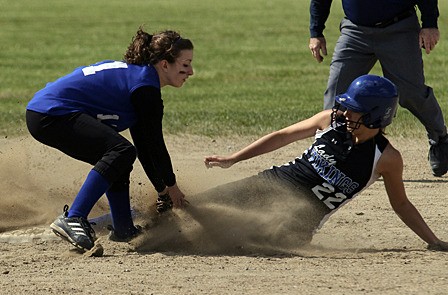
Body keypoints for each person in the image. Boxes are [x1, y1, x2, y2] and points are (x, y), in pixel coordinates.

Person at [201, 75, 448, 251]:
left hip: (295, 223)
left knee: (231, 237)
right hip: (269, 184)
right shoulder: (329, 121)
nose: (346, 112)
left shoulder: (386, 158)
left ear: (375, 116)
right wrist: (233, 159)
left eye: (355, 110)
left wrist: (433, 240)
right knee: (199, 204)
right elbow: (282, 136)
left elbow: (402, 204)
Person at [26, 27, 193, 252]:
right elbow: (156, 145)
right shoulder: (144, 87)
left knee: (121, 155)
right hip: (52, 114)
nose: (191, 71)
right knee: (120, 151)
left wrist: (162, 190)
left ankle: (123, 227)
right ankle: (73, 217)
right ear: (165, 64)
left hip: (45, 112)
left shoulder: (139, 79)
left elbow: (145, 147)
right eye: (185, 64)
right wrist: (171, 187)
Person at [308, 0, 448, 177]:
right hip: (355, 30)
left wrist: (430, 24)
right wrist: (316, 31)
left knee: (410, 93)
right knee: (336, 94)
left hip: (399, 28)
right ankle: (331, 149)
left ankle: (439, 137)